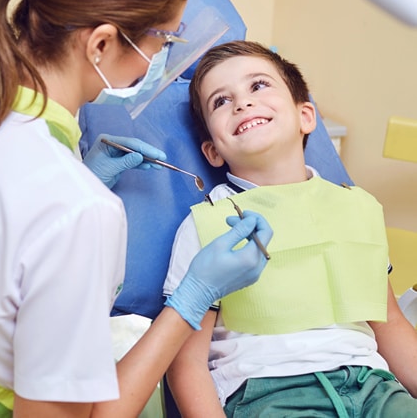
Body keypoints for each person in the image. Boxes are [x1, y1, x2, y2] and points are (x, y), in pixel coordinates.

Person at [0, 0, 274, 417]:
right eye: (162, 42)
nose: (162, 60)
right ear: (101, 44)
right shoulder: (79, 211)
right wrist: (191, 300)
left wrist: (79, 177)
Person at [163, 40, 417, 417]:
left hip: (374, 388)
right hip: (272, 394)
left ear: (306, 117)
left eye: (258, 85)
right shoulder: (209, 224)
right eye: (221, 101)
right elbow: (186, 364)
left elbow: (391, 324)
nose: (242, 103)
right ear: (212, 151)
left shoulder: (357, 208)